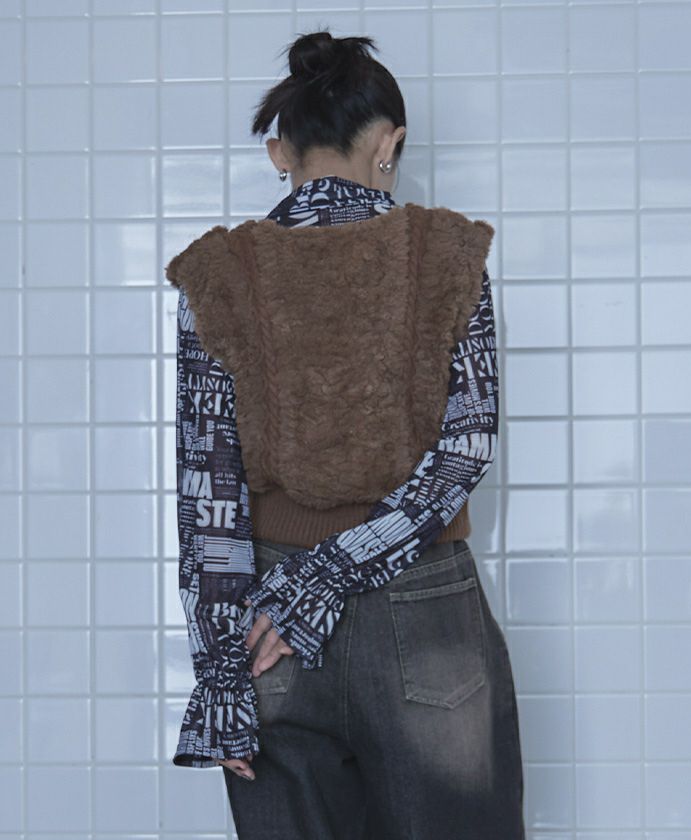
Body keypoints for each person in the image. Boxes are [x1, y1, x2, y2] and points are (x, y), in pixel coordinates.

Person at [166, 29, 525, 840]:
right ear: (390, 141)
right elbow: (466, 449)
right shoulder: (451, 255)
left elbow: (208, 488)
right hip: (423, 608)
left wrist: (224, 672)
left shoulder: (214, 275)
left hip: (266, 619)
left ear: (279, 151)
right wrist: (330, 577)